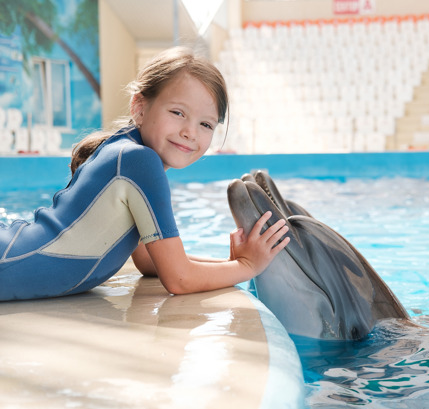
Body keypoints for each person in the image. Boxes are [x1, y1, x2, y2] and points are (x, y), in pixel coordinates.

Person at [0, 47, 289, 301]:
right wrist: (247, 267)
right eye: (178, 113)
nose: (190, 132)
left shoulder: (129, 154)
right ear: (139, 107)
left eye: (206, 124)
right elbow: (178, 280)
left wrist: (228, 263)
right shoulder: (140, 162)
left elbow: (150, 262)